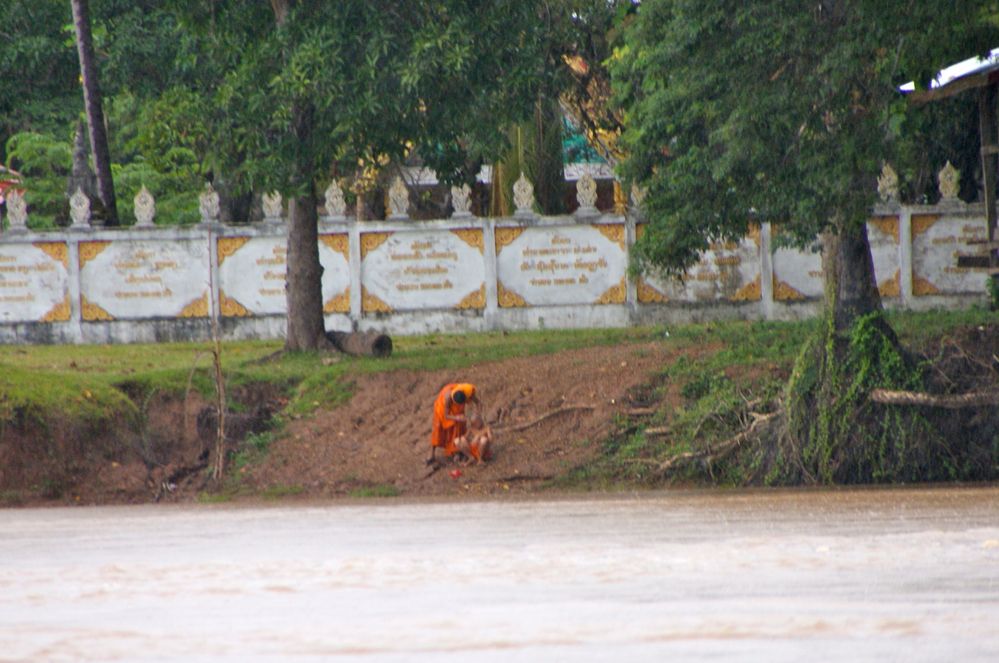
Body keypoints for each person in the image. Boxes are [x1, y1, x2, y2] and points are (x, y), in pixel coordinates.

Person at [427, 382, 479, 465]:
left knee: (458, 428)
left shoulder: (468, 391)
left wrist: (477, 413)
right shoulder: (448, 397)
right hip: (442, 411)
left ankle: (456, 451)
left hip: (458, 414)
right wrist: (456, 418)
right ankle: (431, 453)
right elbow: (446, 415)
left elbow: (477, 402)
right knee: (438, 430)